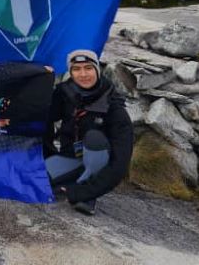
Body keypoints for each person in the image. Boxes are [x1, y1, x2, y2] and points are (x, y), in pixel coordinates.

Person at [44, 49, 134, 215]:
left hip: (98, 162)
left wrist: (79, 193)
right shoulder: (65, 93)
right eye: (76, 69)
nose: (83, 74)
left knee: (94, 138)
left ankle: (87, 194)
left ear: (97, 70)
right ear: (70, 73)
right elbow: (42, 116)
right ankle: (71, 179)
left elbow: (120, 164)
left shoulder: (114, 108)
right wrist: (42, 77)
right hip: (71, 157)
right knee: (38, 180)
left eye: (88, 68)